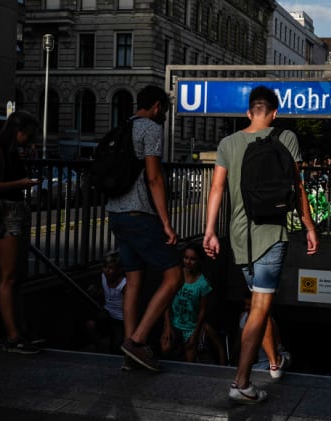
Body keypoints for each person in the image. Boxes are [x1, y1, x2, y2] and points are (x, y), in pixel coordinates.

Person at [203, 85, 319, 404]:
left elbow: (216, 188)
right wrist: (309, 226)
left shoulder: (228, 142)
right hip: (270, 235)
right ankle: (241, 382)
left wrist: (209, 231)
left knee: (258, 304)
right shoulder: (285, 138)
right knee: (259, 308)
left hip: (240, 238)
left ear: (248, 111)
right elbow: (297, 188)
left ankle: (273, 363)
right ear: (275, 112)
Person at [107, 84, 183, 372]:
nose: (162, 113)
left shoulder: (123, 127)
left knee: (134, 282)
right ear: (157, 107)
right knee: (174, 276)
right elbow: (154, 179)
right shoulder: (150, 129)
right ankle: (137, 342)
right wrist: (165, 222)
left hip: (116, 215)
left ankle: (130, 354)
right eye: (162, 109)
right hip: (139, 215)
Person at [0, 111, 42, 355]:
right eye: (28, 134)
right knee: (9, 275)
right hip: (4, 212)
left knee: (17, 275)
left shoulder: (12, 151)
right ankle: (13, 336)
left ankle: (21, 330)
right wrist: (21, 184)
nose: (29, 139)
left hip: (15, 210)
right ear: (17, 130)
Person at [160, 244, 226, 365]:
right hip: (174, 323)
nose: (188, 262)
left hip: (191, 327)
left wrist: (195, 333)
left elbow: (202, 310)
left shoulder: (202, 284)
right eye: (186, 258)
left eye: (193, 259)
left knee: (190, 360)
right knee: (165, 349)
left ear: (199, 261)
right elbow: (166, 302)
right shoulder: (177, 276)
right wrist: (167, 326)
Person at [85, 252, 125, 354]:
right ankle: (101, 350)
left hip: (121, 319)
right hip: (108, 313)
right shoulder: (103, 277)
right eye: (105, 267)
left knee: (117, 346)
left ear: (119, 270)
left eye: (111, 268)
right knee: (91, 325)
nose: (107, 270)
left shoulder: (124, 284)